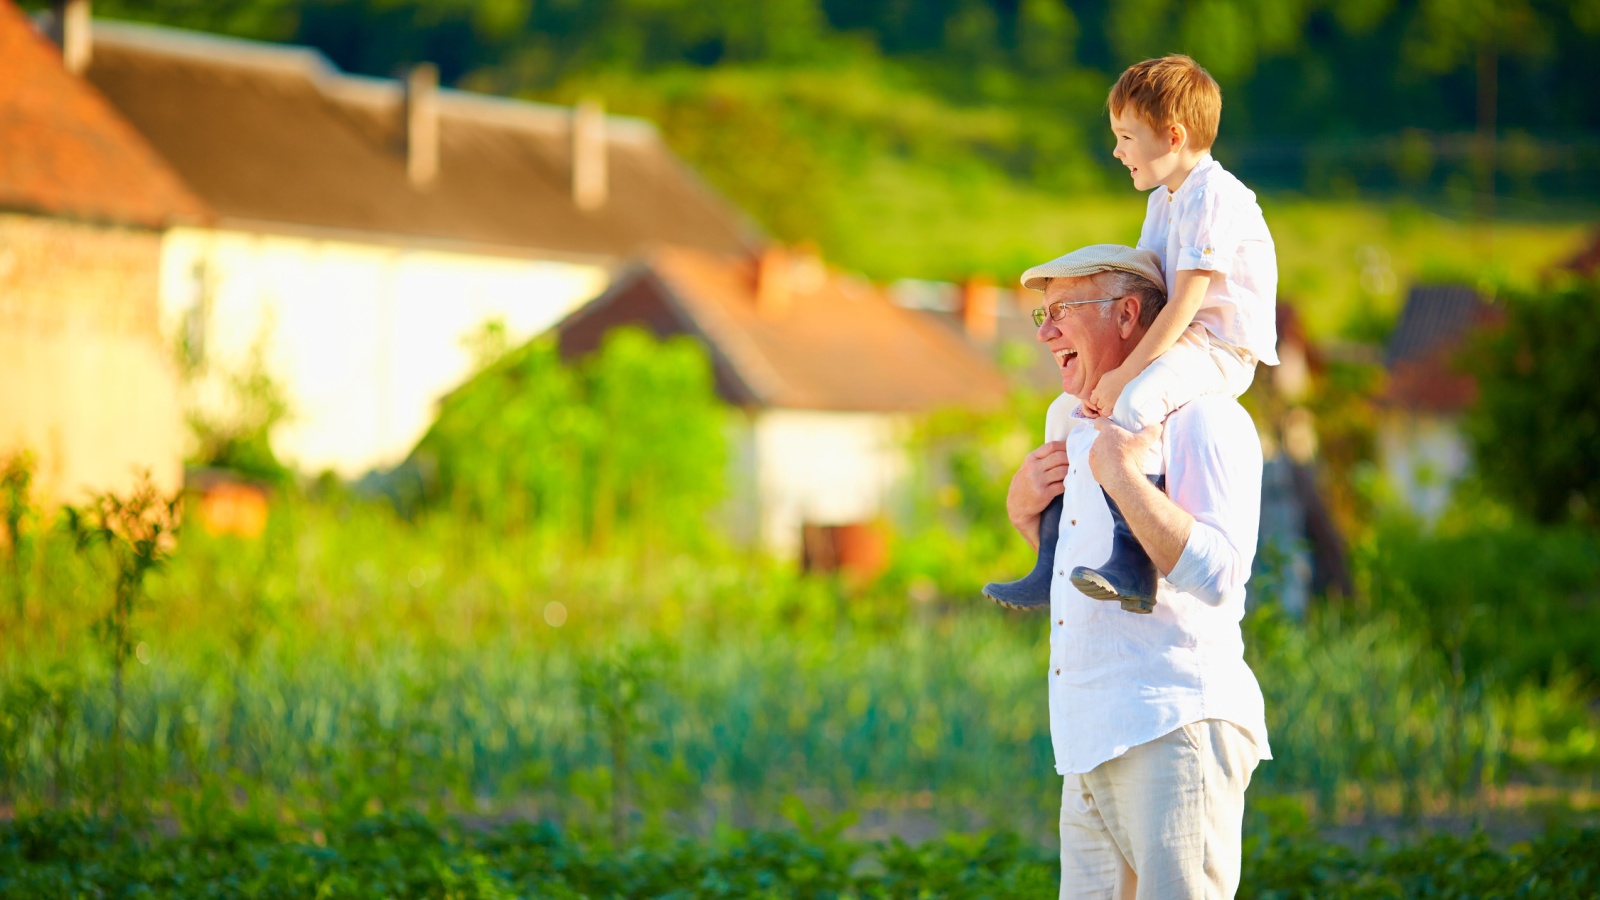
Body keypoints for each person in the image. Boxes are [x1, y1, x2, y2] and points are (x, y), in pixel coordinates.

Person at [1005, 244, 1270, 898]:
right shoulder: (1079, 424)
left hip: (1172, 727)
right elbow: (1082, 569)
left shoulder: (1205, 418)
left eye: (1063, 310)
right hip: (1089, 736)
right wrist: (1023, 514)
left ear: (1128, 314)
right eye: (1041, 313)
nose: (1044, 331)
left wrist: (1124, 477)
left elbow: (1219, 576)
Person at [984, 55, 1277, 613]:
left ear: (1173, 136)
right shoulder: (1162, 201)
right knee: (1062, 416)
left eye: (1126, 136)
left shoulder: (1213, 195)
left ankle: (1134, 561)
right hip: (1184, 336)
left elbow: (1184, 299)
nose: (1117, 150)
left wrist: (1125, 371)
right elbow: (1149, 277)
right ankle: (1048, 564)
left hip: (1217, 344)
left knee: (1133, 403)